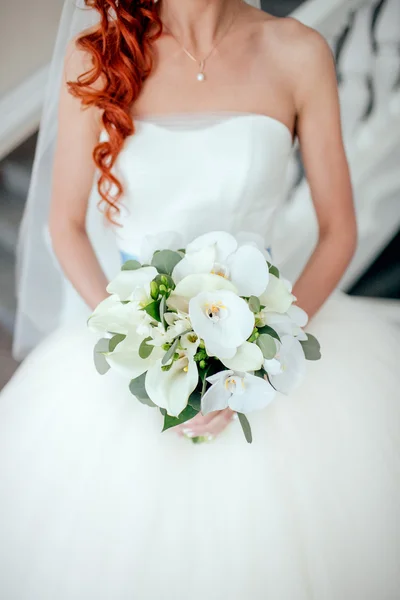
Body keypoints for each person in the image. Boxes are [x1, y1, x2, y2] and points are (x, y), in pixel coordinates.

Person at [0, 0, 399, 598]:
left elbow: (338, 229)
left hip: (266, 340)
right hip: (136, 343)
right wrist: (142, 341)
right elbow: (66, 226)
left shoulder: (298, 51)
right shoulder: (101, 56)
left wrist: (264, 353)